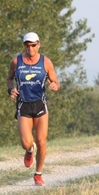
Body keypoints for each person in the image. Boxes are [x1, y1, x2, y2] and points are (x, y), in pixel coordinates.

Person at [6, 32, 61, 186]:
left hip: (40, 104)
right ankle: (29, 151)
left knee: (42, 142)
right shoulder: (16, 62)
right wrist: (11, 90)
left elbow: (56, 82)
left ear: (39, 44)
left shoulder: (46, 62)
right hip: (23, 105)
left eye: (33, 45)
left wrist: (54, 86)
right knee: (26, 142)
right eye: (27, 45)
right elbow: (9, 79)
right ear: (24, 46)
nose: (30, 49)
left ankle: (38, 174)